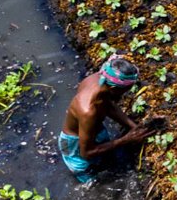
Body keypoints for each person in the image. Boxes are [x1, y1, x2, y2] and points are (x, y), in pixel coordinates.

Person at [59, 53, 167, 181]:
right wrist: (126, 139)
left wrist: (135, 127)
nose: (128, 92)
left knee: (110, 159)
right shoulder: (88, 111)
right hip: (76, 147)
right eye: (127, 89)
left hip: (93, 130)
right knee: (92, 181)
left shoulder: (99, 80)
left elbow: (108, 106)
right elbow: (86, 153)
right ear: (114, 89)